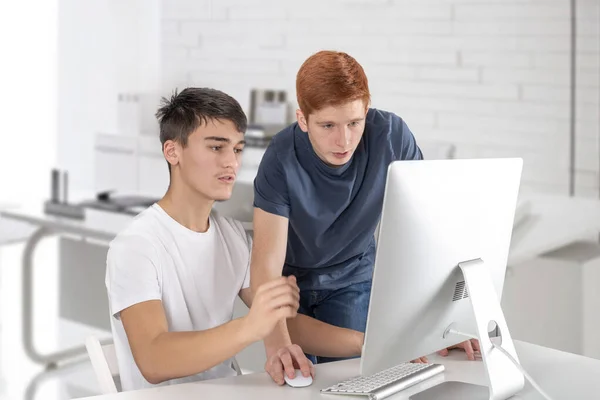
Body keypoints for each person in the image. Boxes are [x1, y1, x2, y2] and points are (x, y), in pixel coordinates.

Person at [106, 87, 363, 391]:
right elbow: (153, 358)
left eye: (238, 149)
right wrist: (250, 326)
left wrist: (370, 341)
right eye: (217, 148)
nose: (232, 163)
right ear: (173, 151)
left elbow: (283, 324)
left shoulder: (232, 237)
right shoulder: (136, 246)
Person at [250, 51, 480, 383]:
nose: (343, 140)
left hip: (352, 278)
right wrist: (277, 347)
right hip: (290, 286)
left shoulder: (391, 137)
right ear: (303, 119)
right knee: (295, 384)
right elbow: (265, 265)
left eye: (354, 123)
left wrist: (448, 323)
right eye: (327, 125)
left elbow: (428, 230)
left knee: (357, 381)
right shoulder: (280, 158)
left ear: (366, 111)